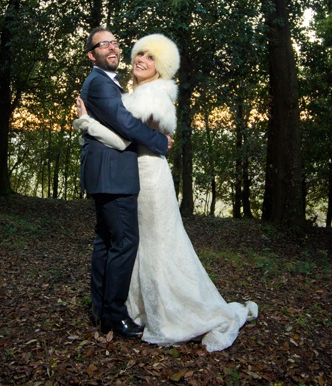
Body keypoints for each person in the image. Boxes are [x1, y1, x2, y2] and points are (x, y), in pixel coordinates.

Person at [74, 33, 258, 352]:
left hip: (146, 173)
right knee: (128, 241)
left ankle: (148, 309)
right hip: (132, 172)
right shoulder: (127, 90)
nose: (141, 60)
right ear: (92, 55)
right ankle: (120, 309)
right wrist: (87, 123)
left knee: (149, 241)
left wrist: (87, 122)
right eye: (140, 54)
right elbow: (122, 130)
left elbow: (126, 131)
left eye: (150, 58)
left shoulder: (151, 95)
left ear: (161, 68)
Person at [78, 26, 171, 339]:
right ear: (92, 55)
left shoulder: (108, 84)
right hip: (113, 175)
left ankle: (102, 310)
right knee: (125, 241)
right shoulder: (100, 84)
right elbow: (126, 124)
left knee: (106, 241)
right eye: (103, 45)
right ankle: (115, 317)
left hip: (108, 175)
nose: (112, 48)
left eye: (115, 42)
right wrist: (160, 142)